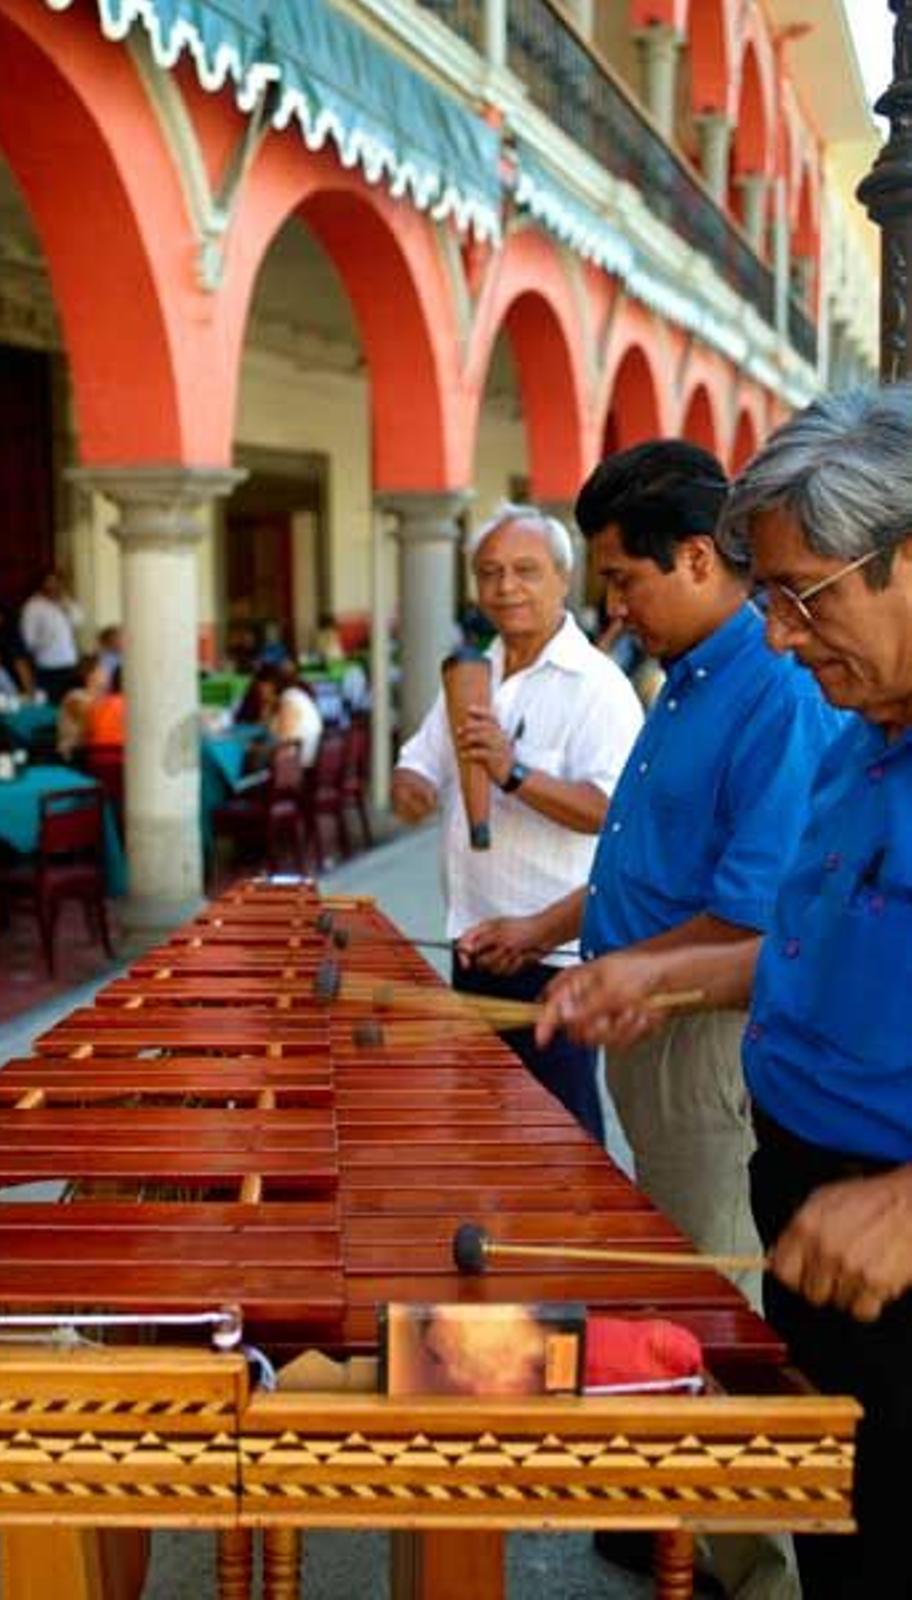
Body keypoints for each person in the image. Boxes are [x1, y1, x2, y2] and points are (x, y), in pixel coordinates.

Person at [536, 386, 912, 1599]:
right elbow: (807, 939)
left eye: (806, 594)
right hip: (804, 1183)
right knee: (840, 1532)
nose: (785, 635)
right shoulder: (862, 727)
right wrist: (663, 971)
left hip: (890, 1228)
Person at [393, 504, 643, 1142]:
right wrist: (413, 784)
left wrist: (513, 773)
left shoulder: (599, 688)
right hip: (474, 939)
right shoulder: (472, 675)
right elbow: (420, 760)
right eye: (490, 572)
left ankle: (580, 1236)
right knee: (487, 1123)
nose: (506, 588)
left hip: (552, 948)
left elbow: (614, 814)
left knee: (561, 1130)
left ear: (563, 578)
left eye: (525, 571)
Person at [20, 571, 82, 703]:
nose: (53, 586)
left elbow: (79, 620)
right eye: (49, 582)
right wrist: (46, 639)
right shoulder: (33, 606)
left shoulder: (66, 601)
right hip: (47, 665)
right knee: (50, 704)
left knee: (70, 703)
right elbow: (28, 640)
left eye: (56, 582)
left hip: (69, 662)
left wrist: (64, 604)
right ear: (42, 584)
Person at [57, 654, 125, 759]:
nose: (107, 673)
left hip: (95, 750)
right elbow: (91, 723)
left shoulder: (105, 698)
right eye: (102, 670)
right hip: (76, 753)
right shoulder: (75, 697)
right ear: (91, 675)